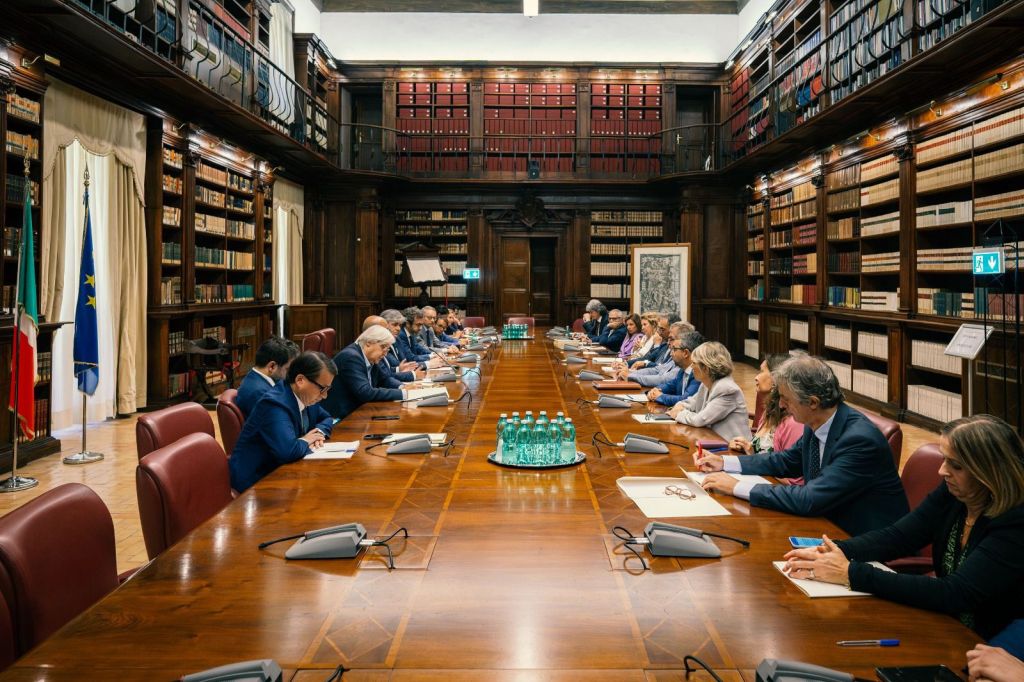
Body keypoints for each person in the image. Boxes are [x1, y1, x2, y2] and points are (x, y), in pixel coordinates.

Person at [782, 414, 1024, 641]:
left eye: (956, 466)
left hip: (991, 641)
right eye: (944, 460)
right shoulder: (955, 494)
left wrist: (850, 573)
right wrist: (833, 551)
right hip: (943, 623)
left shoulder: (1015, 522)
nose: (942, 471)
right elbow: (899, 536)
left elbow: (956, 593)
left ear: (988, 473)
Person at [698, 355, 909, 536]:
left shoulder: (859, 440)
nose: (781, 405)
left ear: (813, 402)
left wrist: (736, 487)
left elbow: (810, 498)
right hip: (825, 525)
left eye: (786, 399)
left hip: (863, 541)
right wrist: (725, 462)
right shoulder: (817, 421)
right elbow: (785, 461)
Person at [229, 351, 337, 492]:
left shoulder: (306, 396)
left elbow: (327, 418)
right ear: (300, 380)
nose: (325, 395)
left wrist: (318, 433)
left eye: (328, 389)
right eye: (322, 388)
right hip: (256, 483)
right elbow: (288, 451)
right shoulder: (274, 404)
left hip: (283, 472)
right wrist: (306, 440)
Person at [666, 341, 749, 441]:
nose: (691, 367)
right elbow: (692, 402)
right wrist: (680, 405)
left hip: (732, 447)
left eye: (694, 363)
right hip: (711, 440)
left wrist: (678, 414)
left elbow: (700, 419)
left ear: (705, 368)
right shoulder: (706, 383)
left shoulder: (727, 389)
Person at [322, 325, 407, 420]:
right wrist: (403, 394)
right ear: (369, 343)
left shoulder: (370, 357)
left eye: (387, 349)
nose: (385, 353)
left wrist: (403, 387)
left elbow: (384, 379)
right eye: (383, 347)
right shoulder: (351, 357)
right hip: (341, 417)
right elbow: (365, 392)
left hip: (360, 411)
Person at [729, 354, 802, 457]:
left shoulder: (793, 423)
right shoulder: (769, 412)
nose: (756, 377)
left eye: (762, 371)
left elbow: (788, 464)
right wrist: (745, 447)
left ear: (776, 378)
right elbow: (760, 453)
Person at [235, 336, 299, 417]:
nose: (290, 373)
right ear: (272, 366)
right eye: (287, 369)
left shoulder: (254, 378)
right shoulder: (261, 394)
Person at [622, 321, 691, 387]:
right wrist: (631, 373)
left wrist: (631, 376)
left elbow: (663, 379)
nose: (668, 342)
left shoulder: (684, 362)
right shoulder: (666, 347)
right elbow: (657, 370)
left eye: (672, 339)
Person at [646, 330, 704, 407]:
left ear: (685, 353)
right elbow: (669, 386)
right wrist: (654, 391)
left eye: (674, 349)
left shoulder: (698, 373)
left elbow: (685, 400)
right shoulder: (682, 370)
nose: (671, 353)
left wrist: (660, 396)